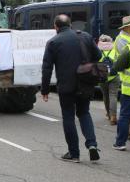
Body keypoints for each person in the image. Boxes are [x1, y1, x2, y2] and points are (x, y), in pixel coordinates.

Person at [41, 14, 101, 163]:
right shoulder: (86, 36)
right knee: (84, 113)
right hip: (85, 83)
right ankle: (92, 145)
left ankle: (74, 153)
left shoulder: (53, 42)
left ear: (56, 26)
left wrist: (45, 90)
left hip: (66, 86)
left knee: (68, 117)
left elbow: (46, 68)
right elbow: (98, 55)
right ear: (71, 24)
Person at [97, 35, 119, 125]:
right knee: (113, 96)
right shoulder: (115, 49)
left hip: (102, 77)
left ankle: (109, 114)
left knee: (105, 96)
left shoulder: (97, 50)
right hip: (114, 76)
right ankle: (113, 116)